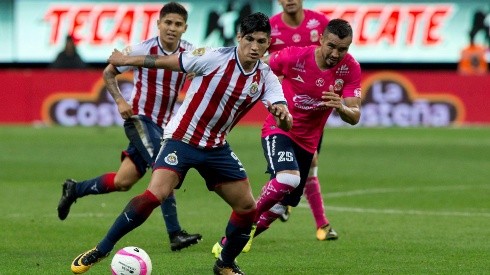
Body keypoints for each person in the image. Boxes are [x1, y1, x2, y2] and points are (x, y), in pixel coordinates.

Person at [70, 12, 292, 275]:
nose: (255, 47)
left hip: (216, 147)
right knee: (155, 195)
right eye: (250, 40)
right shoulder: (214, 58)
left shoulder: (266, 77)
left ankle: (225, 264)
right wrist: (126, 59)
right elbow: (167, 61)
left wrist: (283, 116)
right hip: (182, 139)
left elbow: (284, 119)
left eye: (262, 41)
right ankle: (101, 249)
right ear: (239, 37)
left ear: (268, 43)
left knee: (247, 208)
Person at [57, 2, 202, 252]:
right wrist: (120, 100)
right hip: (140, 120)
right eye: (168, 22)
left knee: (124, 181)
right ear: (158, 24)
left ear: (185, 28)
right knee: (164, 167)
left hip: (164, 127)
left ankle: (75, 189)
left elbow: (209, 68)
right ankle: (175, 233)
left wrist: (197, 74)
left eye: (178, 24)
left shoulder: (190, 53)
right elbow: (108, 73)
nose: (172, 28)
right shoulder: (141, 49)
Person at [212, 18, 361, 257]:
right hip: (280, 128)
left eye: (342, 49)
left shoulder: (350, 68)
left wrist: (341, 107)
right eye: (331, 46)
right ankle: (239, 230)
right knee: (286, 179)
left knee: (283, 203)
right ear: (320, 39)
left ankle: (233, 238)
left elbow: (355, 115)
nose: (335, 53)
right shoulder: (294, 56)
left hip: (308, 142)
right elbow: (258, 65)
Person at [269, 0, 338, 241]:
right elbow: (263, 63)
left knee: (304, 167)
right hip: (283, 105)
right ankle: (322, 224)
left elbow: (335, 57)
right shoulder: (271, 27)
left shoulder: (320, 23)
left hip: (311, 110)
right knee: (301, 166)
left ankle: (288, 206)